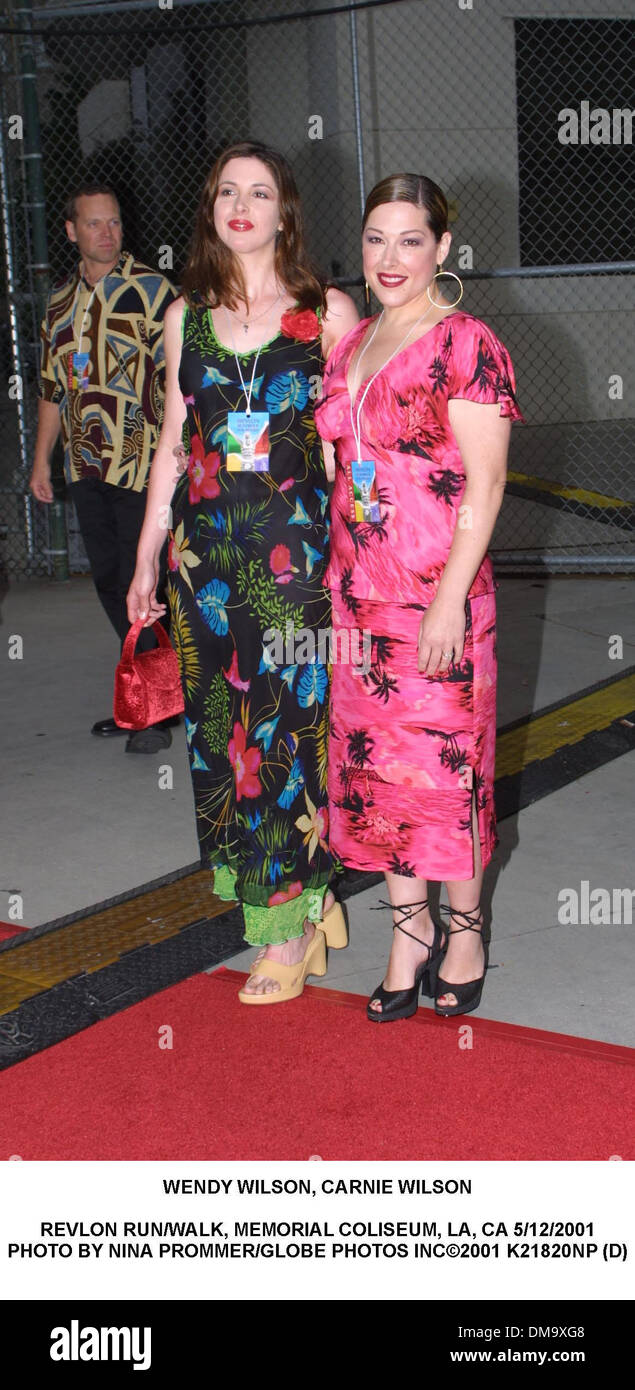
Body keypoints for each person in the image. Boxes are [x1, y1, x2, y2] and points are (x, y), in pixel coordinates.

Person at [127, 140, 358, 1000]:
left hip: (293, 559)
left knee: (286, 738)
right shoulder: (185, 314)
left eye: (258, 191)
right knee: (224, 741)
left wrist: (367, 540)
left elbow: (354, 445)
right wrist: (148, 554)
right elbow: (169, 444)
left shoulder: (325, 309)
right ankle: (295, 904)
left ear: (284, 211)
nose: (240, 204)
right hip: (205, 563)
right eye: (226, 189)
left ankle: (289, 928)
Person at [315, 173, 523, 1022]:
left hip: (436, 601)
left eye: (409, 240)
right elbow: (343, 469)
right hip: (355, 605)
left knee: (444, 779)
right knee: (374, 779)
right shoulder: (352, 341)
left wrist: (446, 601)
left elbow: (488, 482)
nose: (389, 257)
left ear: (441, 248)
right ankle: (409, 933)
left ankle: (464, 932)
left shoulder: (466, 342)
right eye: (374, 239)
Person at [29, 183, 178, 753]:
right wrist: (44, 459)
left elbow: (181, 378)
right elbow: (50, 388)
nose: (107, 233)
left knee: (146, 584)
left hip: (143, 464)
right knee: (109, 583)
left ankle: (152, 712)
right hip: (86, 464)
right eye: (94, 224)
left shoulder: (155, 291)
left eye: (114, 222)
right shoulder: (60, 303)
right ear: (71, 231)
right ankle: (153, 698)